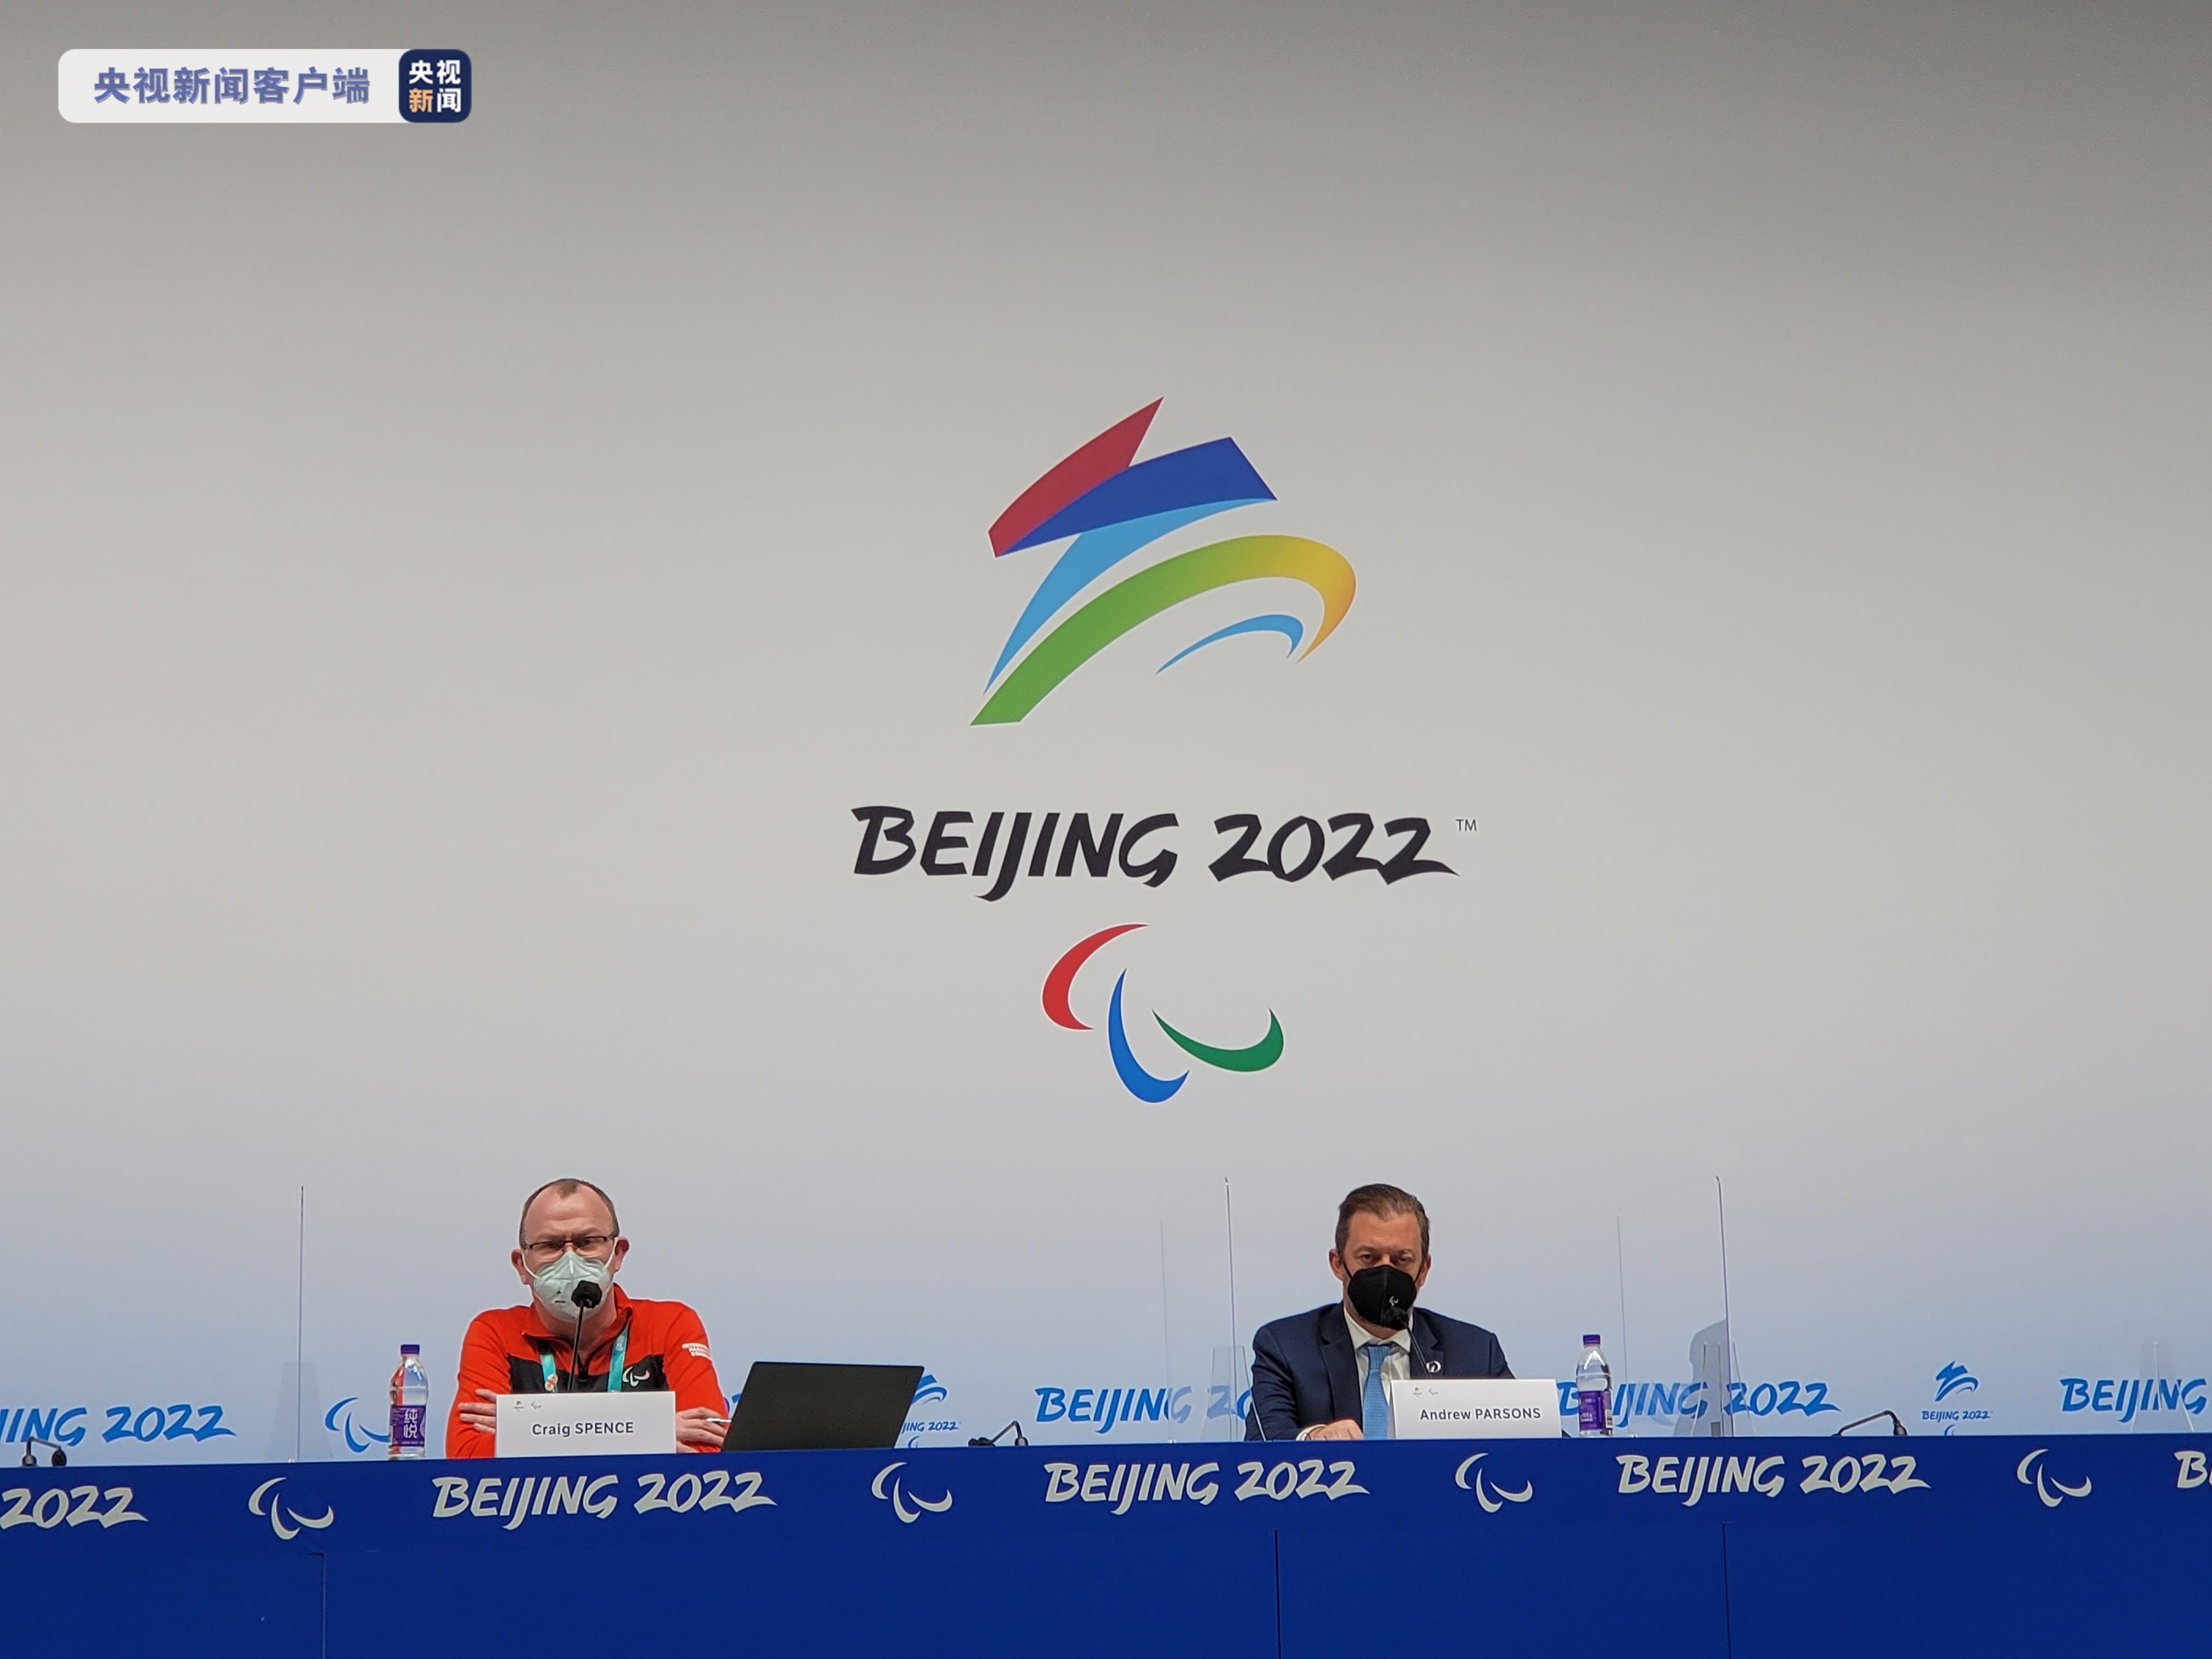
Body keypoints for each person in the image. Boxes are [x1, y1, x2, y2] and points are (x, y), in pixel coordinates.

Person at [445, 1177, 729, 1458]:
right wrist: (653, 1432)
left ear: (617, 1255)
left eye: (587, 1242)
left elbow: (708, 1446)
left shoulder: (671, 1324)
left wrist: (523, 1429)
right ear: (522, 1266)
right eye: (550, 1245)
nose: (570, 1260)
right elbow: (469, 1457)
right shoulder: (493, 1332)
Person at [1246, 1182, 1511, 1441]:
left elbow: (1521, 1441)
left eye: (1402, 1260)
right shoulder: (1286, 1347)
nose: (1386, 1272)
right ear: (1338, 1264)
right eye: (1368, 1258)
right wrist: (1313, 1439)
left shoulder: (1477, 1353)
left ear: (1424, 1270)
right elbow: (1262, 1442)